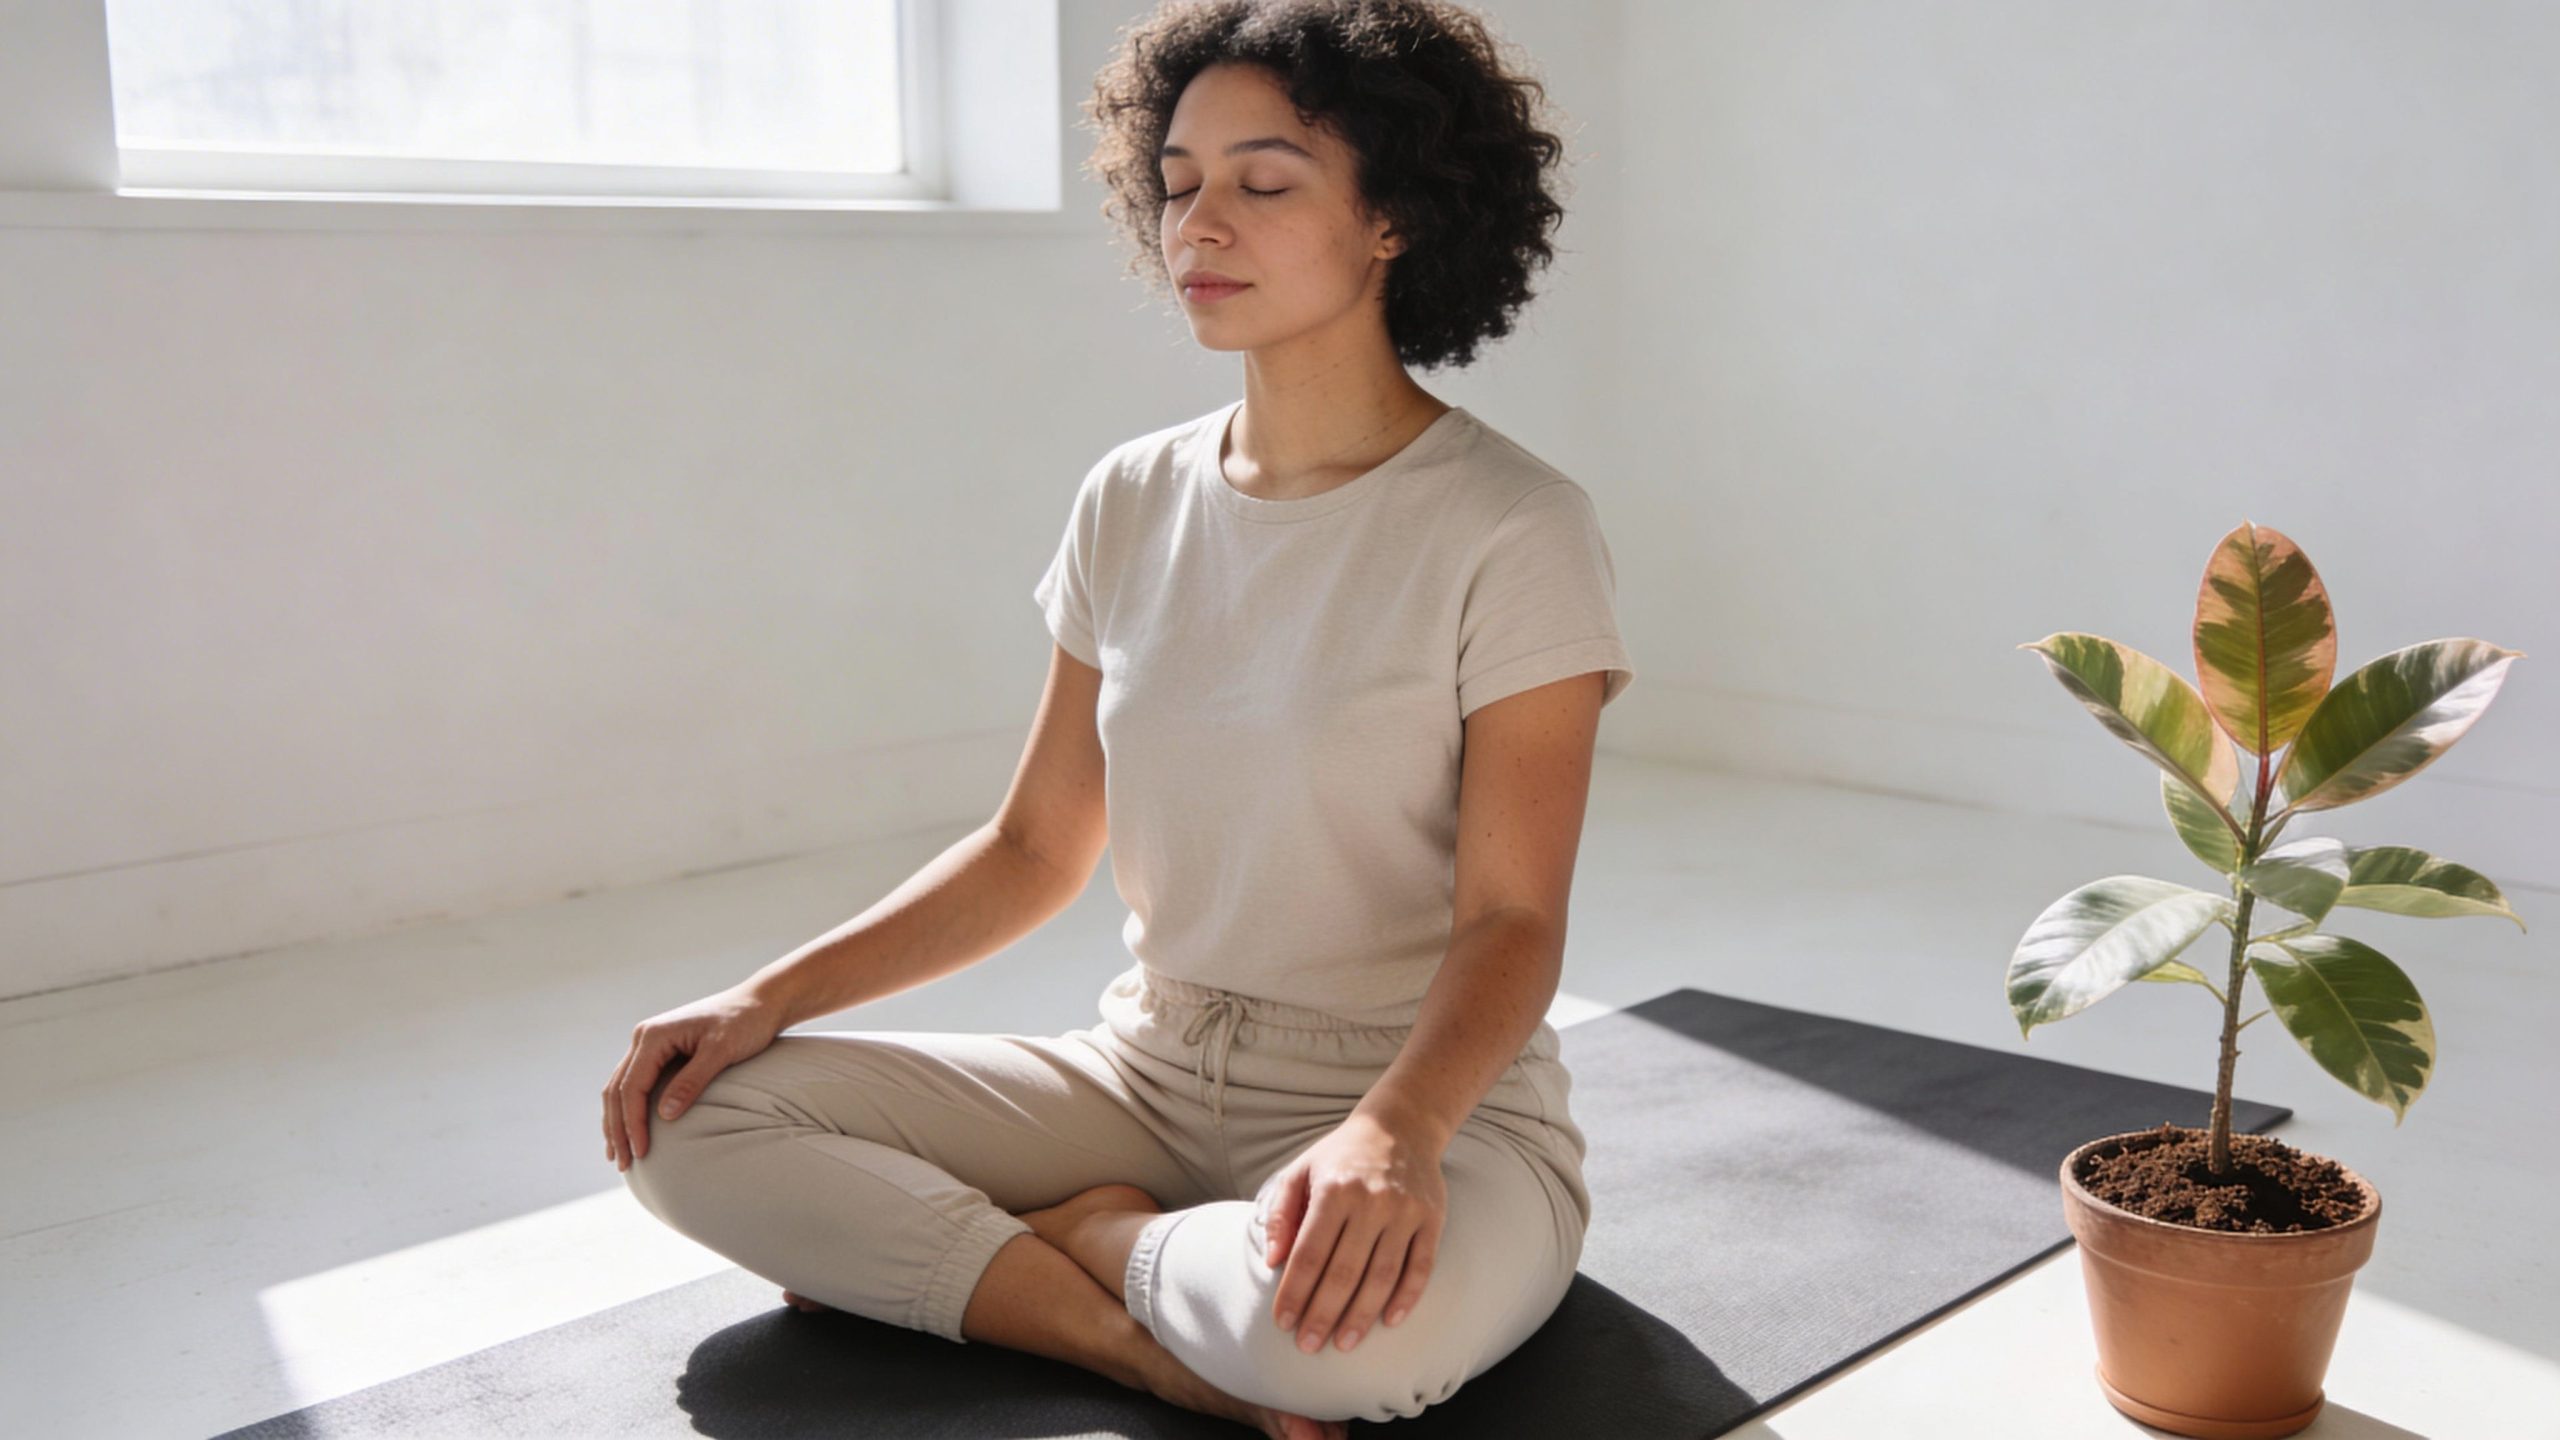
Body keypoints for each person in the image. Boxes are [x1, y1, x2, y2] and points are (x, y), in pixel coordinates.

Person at [602, 4, 1632, 1436]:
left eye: (1264, 184)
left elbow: (1513, 921)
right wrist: (766, 998)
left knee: (1332, 1349)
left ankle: (1084, 1243)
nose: (1199, 224)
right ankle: (1121, 1318)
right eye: (1178, 182)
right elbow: (1033, 848)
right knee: (687, 1119)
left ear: (1394, 216)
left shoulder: (1515, 527)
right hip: (1145, 1075)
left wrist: (1393, 1137)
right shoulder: (1131, 496)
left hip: (1419, 1109)